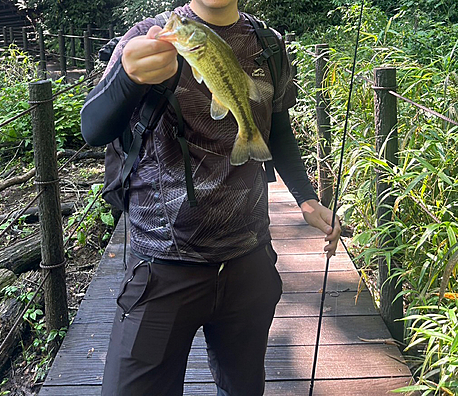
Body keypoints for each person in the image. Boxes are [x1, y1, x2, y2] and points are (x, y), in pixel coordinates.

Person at [80, 0, 341, 395]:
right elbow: (93, 129)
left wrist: (305, 197)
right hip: (161, 266)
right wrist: (128, 79)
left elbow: (277, 124)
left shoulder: (267, 44)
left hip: (248, 261)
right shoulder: (146, 38)